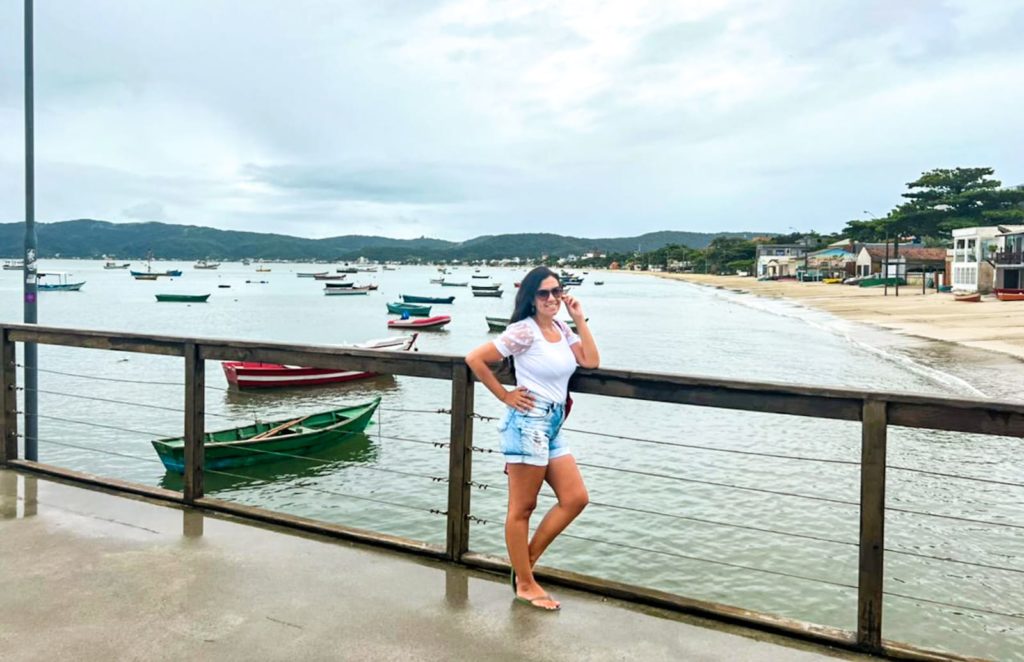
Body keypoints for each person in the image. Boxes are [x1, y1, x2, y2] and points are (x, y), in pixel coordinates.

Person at [465, 266, 600, 611]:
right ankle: (525, 583)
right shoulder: (523, 331)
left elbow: (591, 361)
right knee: (523, 508)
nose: (552, 298)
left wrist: (578, 318)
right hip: (527, 421)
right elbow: (475, 359)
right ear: (531, 298)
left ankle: (524, 563)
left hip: (552, 423)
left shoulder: (559, 327)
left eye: (557, 291)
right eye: (544, 294)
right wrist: (505, 396)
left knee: (575, 498)